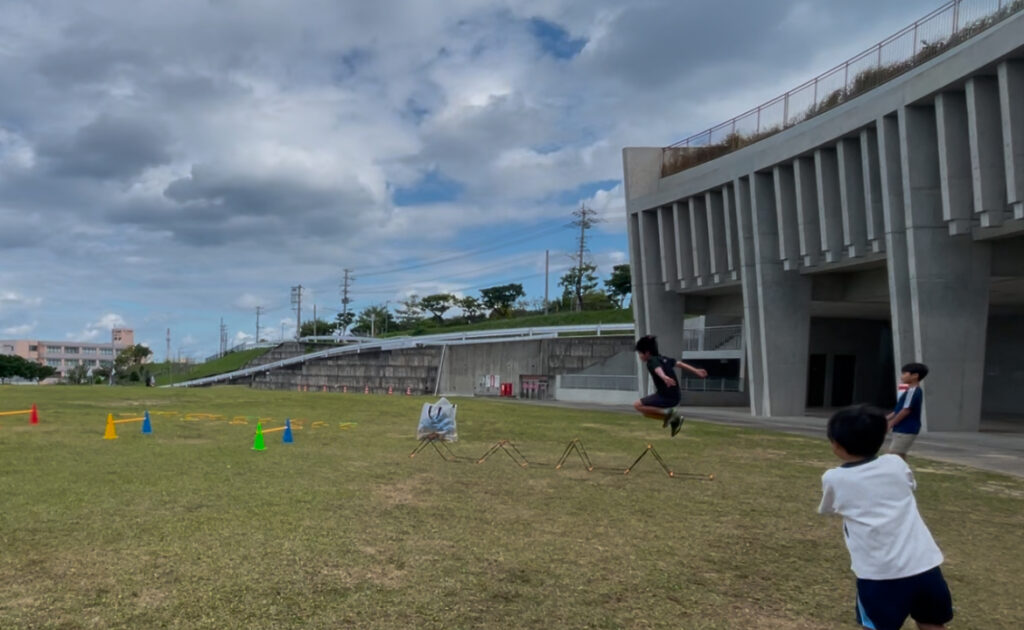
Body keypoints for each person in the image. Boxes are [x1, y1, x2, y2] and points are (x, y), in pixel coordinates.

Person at [819, 405, 954, 630]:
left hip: (880, 574)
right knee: (932, 622)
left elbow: (829, 508)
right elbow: (911, 484)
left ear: (837, 445)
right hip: (925, 565)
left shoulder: (834, 477)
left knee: (877, 626)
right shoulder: (896, 463)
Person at [633, 335, 707, 436]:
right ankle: (672, 419)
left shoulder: (651, 361)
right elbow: (680, 364)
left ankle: (672, 416)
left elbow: (657, 369)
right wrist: (696, 371)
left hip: (666, 397)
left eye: (640, 353)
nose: (639, 356)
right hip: (675, 396)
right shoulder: (664, 359)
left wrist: (664, 377)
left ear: (647, 352)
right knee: (646, 412)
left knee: (638, 405)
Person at [886, 362, 928, 460]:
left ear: (915, 376)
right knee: (900, 455)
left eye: (905, 373)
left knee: (894, 455)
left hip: (906, 429)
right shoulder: (909, 390)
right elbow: (898, 409)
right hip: (902, 428)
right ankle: (905, 474)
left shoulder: (913, 391)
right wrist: (886, 418)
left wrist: (890, 424)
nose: (902, 376)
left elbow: (905, 410)